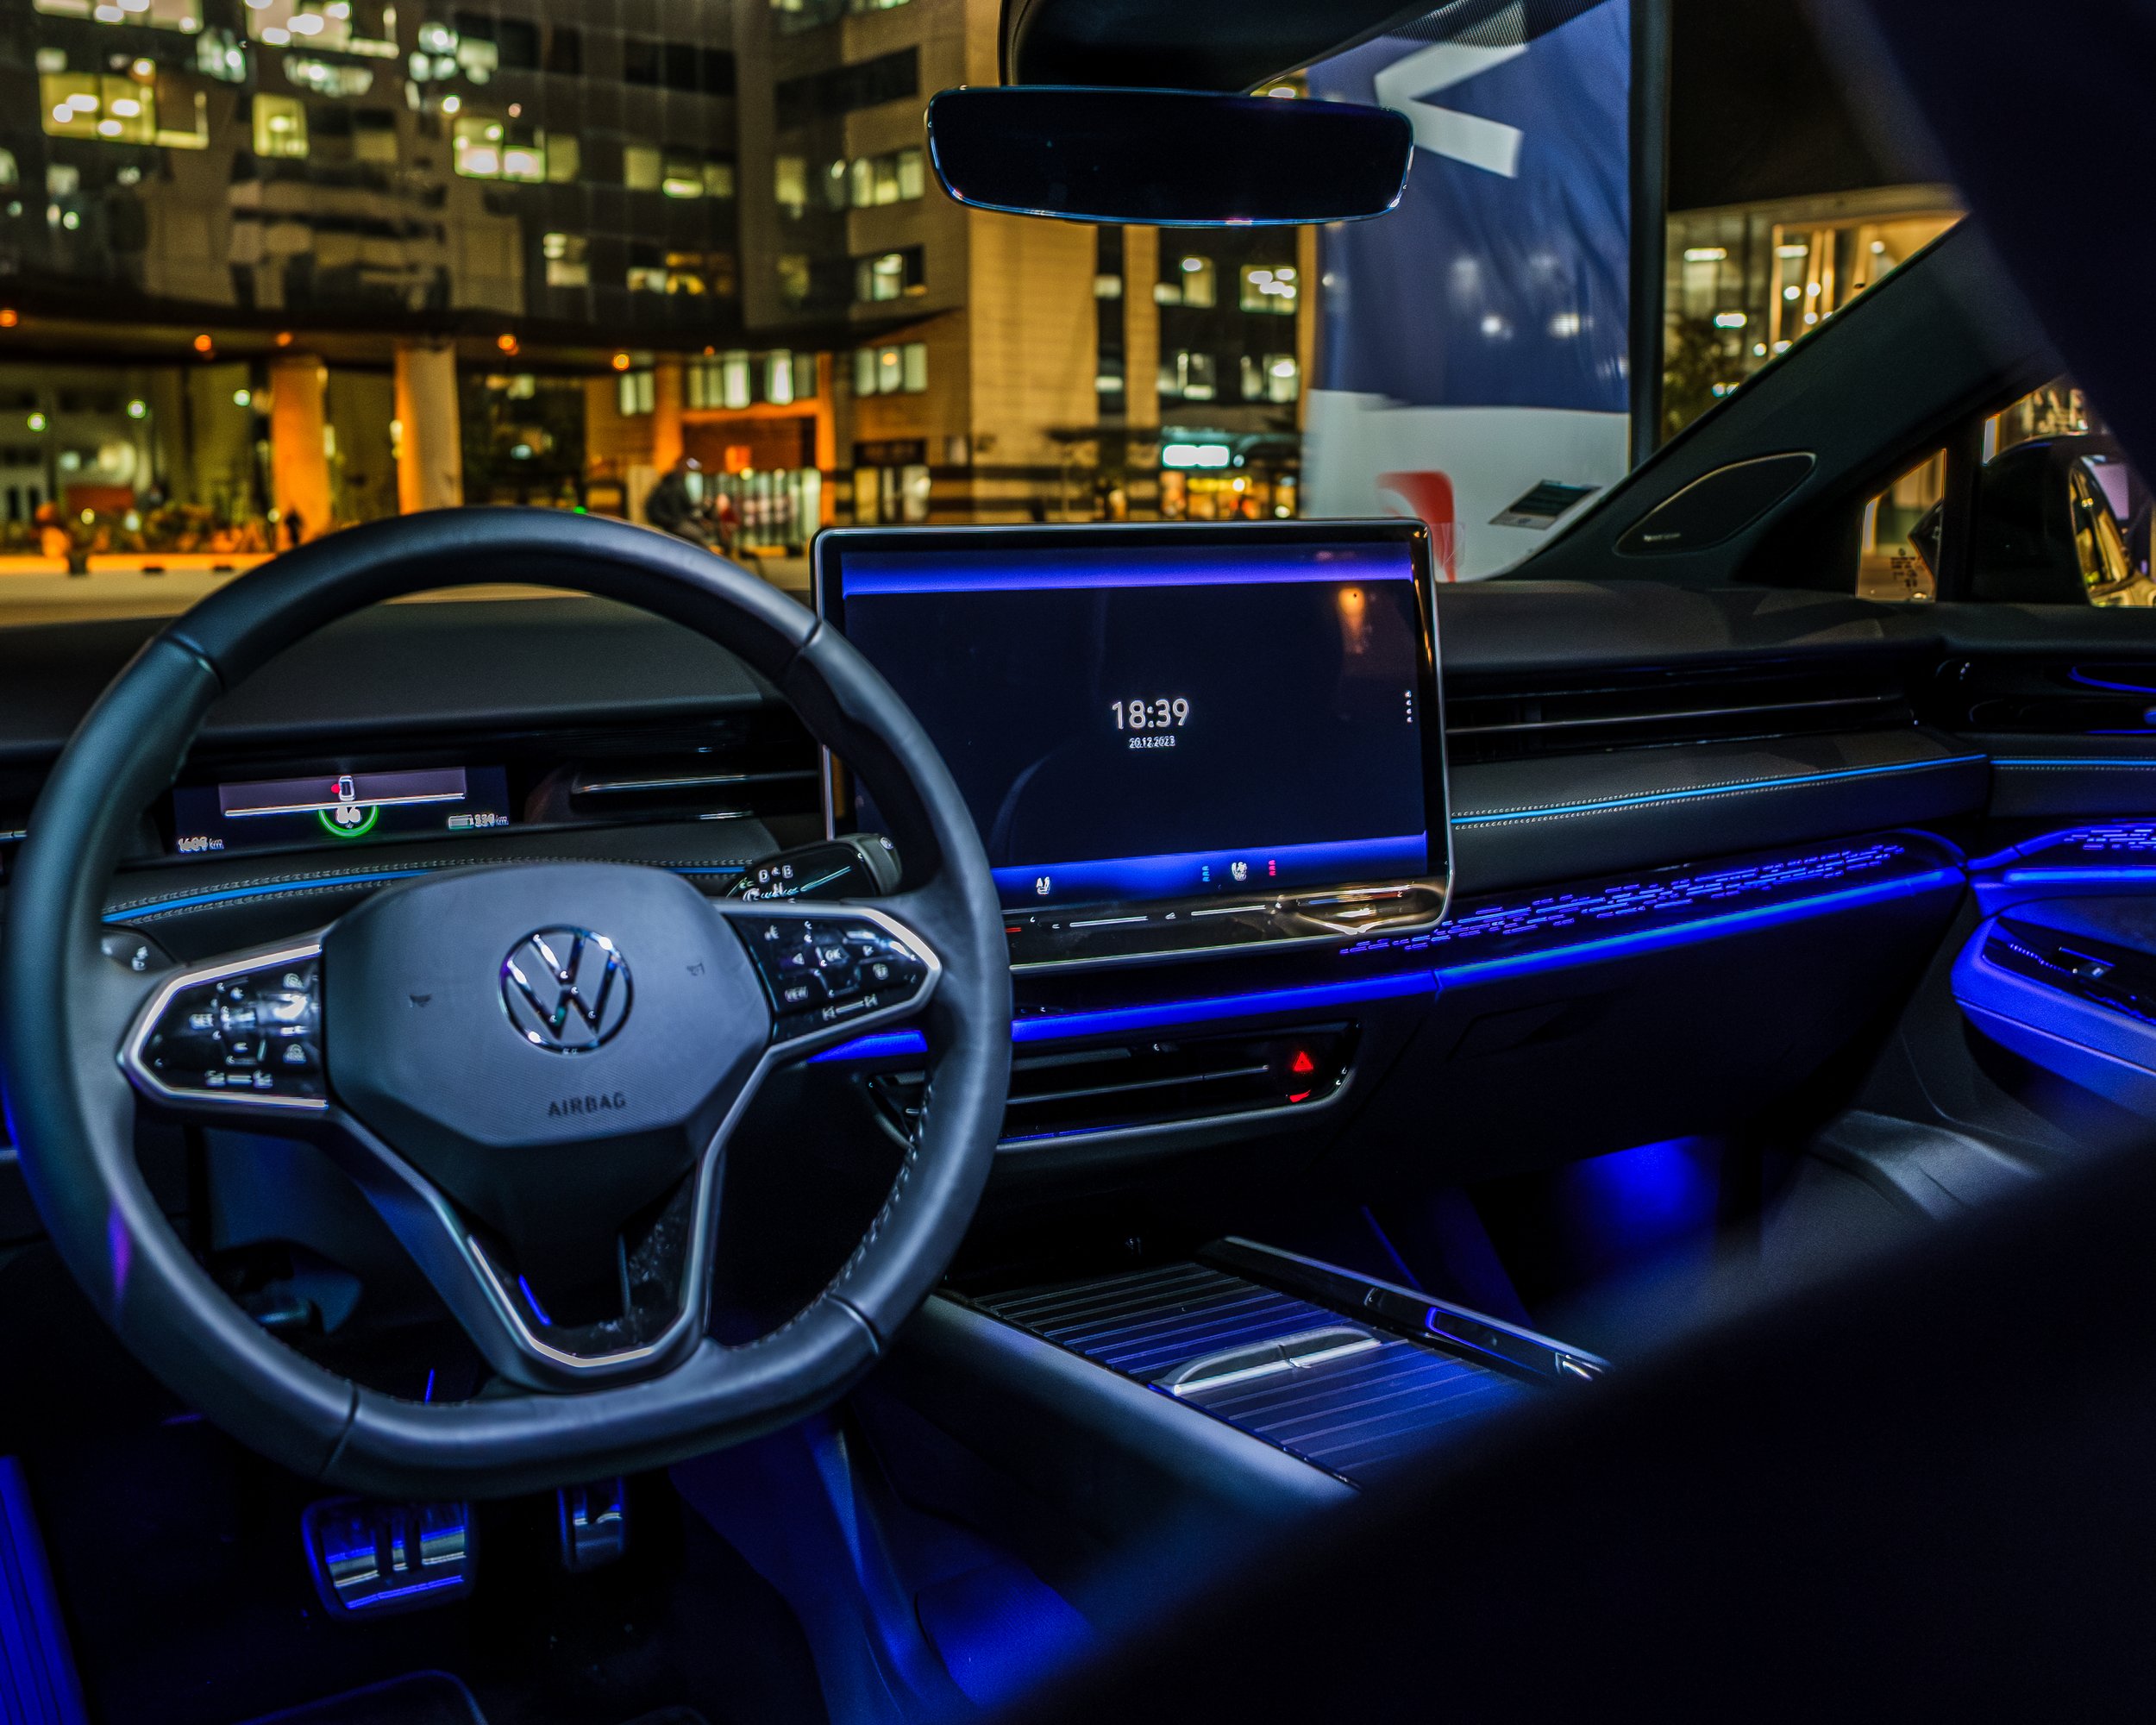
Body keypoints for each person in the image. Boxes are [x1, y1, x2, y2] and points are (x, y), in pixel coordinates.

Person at [644, 458, 711, 549]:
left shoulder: (667, 482)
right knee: (700, 538)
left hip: (669, 522)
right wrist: (703, 505)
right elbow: (683, 507)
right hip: (674, 523)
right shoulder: (676, 484)